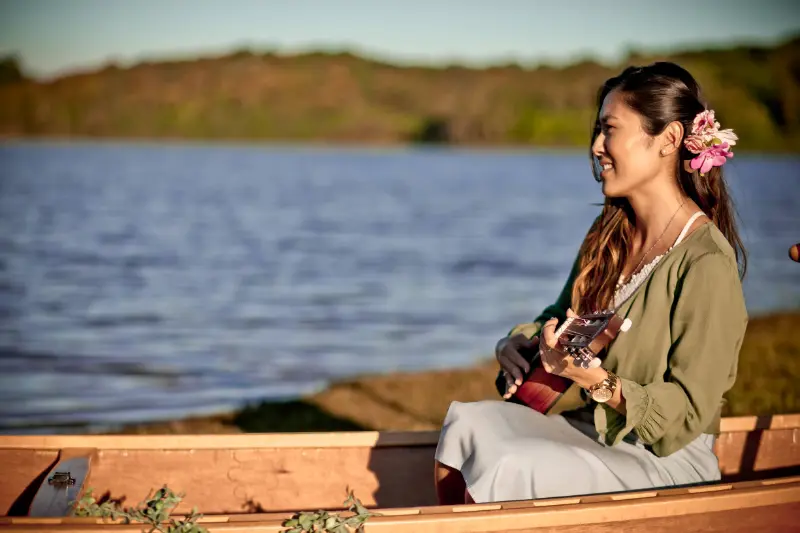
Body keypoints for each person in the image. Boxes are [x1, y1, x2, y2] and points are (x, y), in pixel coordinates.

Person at [434, 62, 749, 505]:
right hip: (594, 429)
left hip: (665, 458)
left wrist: (600, 382)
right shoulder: (609, 234)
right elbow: (559, 317)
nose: (597, 146)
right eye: (597, 130)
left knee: (512, 463)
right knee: (469, 424)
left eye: (610, 129)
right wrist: (516, 345)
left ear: (669, 140)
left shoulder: (706, 262)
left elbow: (688, 413)